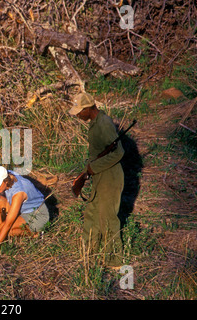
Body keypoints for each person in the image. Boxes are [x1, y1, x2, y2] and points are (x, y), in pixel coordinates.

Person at [69, 92, 124, 268]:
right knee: (92, 212)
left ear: (88, 108)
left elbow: (118, 152)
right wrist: (86, 171)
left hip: (110, 177)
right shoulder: (94, 123)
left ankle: (113, 261)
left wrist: (94, 168)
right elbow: (97, 153)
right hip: (99, 175)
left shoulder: (104, 123)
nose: (77, 115)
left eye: (79, 112)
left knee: (108, 218)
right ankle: (88, 252)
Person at [0, 166, 49, 261]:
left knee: (7, 229)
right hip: (18, 207)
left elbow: (8, 223)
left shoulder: (19, 193)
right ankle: (0, 231)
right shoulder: (7, 174)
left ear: (5, 181)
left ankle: (35, 234)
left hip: (36, 214)